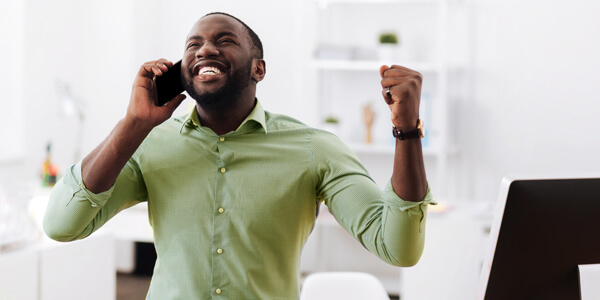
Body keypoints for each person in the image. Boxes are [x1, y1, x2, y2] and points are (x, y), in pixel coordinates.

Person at [43, 12, 435, 299]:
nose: (206, 48)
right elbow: (62, 224)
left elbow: (398, 247)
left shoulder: (315, 148)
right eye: (193, 45)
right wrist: (134, 123)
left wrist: (407, 132)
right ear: (183, 71)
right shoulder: (149, 143)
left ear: (259, 68)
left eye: (225, 40)